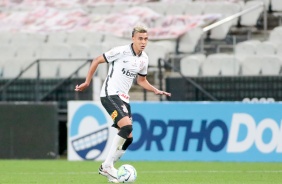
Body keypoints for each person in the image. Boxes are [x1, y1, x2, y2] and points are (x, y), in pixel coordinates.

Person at [75, 25, 171, 183]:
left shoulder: (144, 58)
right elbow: (97, 60)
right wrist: (87, 81)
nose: (143, 42)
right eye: (140, 38)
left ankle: (109, 168)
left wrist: (155, 90)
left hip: (124, 98)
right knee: (127, 127)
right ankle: (107, 166)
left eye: (146, 39)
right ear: (133, 38)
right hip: (109, 94)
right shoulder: (120, 51)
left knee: (129, 138)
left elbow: (141, 80)